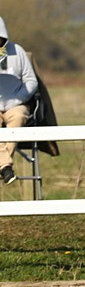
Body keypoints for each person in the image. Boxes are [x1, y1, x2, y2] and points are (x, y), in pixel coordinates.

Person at [0, 17, 39, 185]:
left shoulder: (18, 51)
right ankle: (5, 167)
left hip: (15, 103)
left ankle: (3, 165)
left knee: (18, 116)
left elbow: (31, 81)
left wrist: (18, 98)